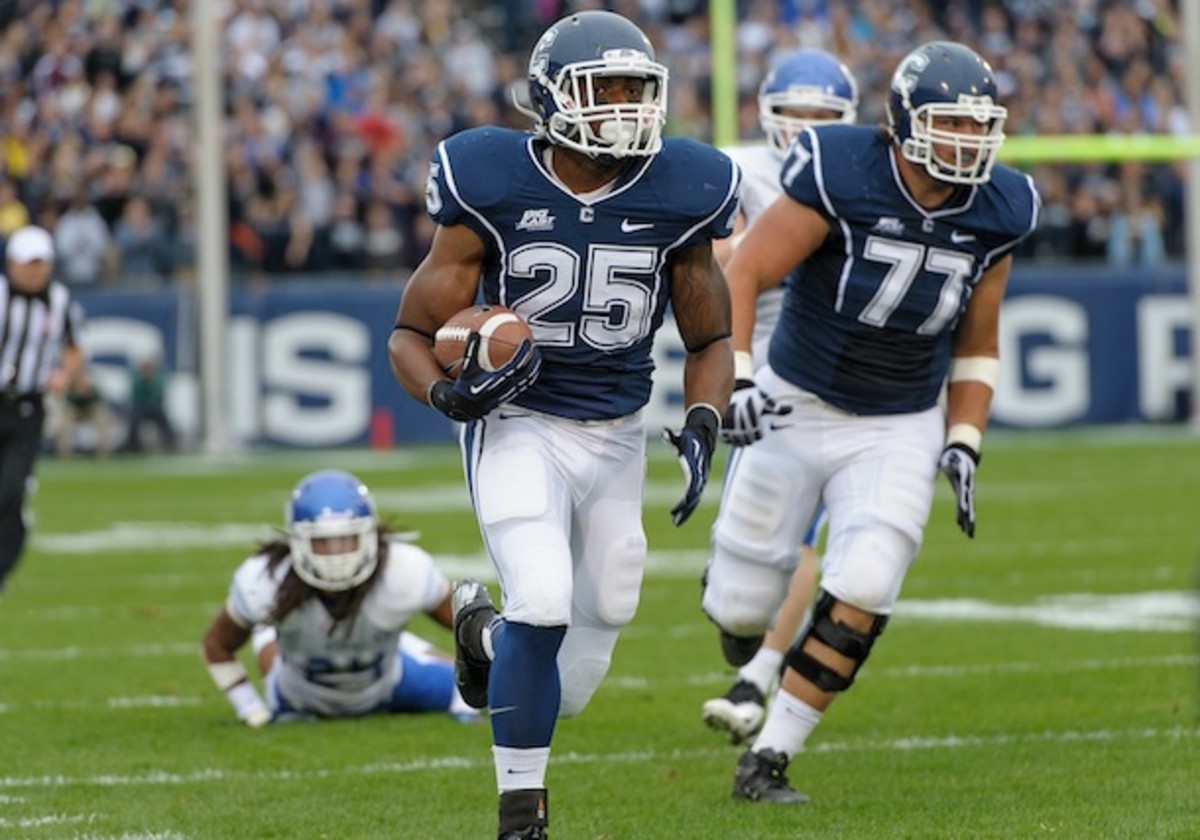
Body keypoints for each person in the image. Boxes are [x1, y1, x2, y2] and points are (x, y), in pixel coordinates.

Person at [387, 11, 738, 838]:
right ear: (550, 100)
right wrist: (448, 398)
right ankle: (522, 817)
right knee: (542, 601)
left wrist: (703, 421)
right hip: (519, 421)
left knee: (583, 654)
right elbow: (409, 334)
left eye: (636, 90)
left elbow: (711, 339)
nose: (624, 108)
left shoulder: (684, 186)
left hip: (617, 430)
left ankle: (480, 634)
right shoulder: (490, 179)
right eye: (602, 89)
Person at [704, 41, 1040, 803]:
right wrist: (740, 376)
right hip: (795, 399)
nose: (969, 141)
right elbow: (746, 271)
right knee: (740, 607)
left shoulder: (1001, 206)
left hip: (899, 419)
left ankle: (769, 758)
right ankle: (738, 616)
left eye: (979, 125)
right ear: (906, 122)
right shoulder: (842, 168)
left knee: (868, 581)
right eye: (952, 124)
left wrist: (964, 441)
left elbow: (978, 344)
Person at [702, 49, 858, 745]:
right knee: (750, 556)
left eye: (822, 114)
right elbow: (710, 264)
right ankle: (744, 633)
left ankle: (756, 676)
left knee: (802, 537)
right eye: (795, 112)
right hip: (753, 368)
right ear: (767, 114)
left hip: (829, 376)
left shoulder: (861, 179)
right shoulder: (740, 171)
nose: (806, 125)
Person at [200, 469, 477, 726]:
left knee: (475, 692)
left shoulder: (403, 570)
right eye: (322, 542)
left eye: (347, 540)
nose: (336, 555)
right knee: (274, 639)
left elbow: (471, 629)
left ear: (370, 536)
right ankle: (267, 635)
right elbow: (216, 645)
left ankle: (406, 645)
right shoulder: (265, 582)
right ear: (296, 542)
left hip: (387, 685)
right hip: (297, 698)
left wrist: (467, 700)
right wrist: (252, 710)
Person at [0, 225, 85, 593]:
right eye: (29, 264)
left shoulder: (61, 301)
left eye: (41, 263)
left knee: (10, 488)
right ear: (11, 263)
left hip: (28, 409)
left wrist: (65, 375)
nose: (35, 271)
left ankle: (2, 567)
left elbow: (73, 347)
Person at [51, 364, 115, 457]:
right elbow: (68, 400)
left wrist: (87, 393)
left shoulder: (92, 385)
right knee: (65, 420)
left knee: (102, 417)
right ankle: (64, 452)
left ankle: (104, 452)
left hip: (89, 410)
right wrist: (78, 394)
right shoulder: (71, 386)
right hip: (75, 411)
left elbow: (98, 400)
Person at [120, 356, 176, 453]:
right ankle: (133, 445)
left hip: (155, 409)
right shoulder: (136, 377)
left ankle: (170, 444)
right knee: (134, 421)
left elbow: (160, 393)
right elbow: (135, 394)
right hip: (140, 409)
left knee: (164, 421)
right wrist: (144, 382)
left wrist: (151, 382)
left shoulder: (159, 377)